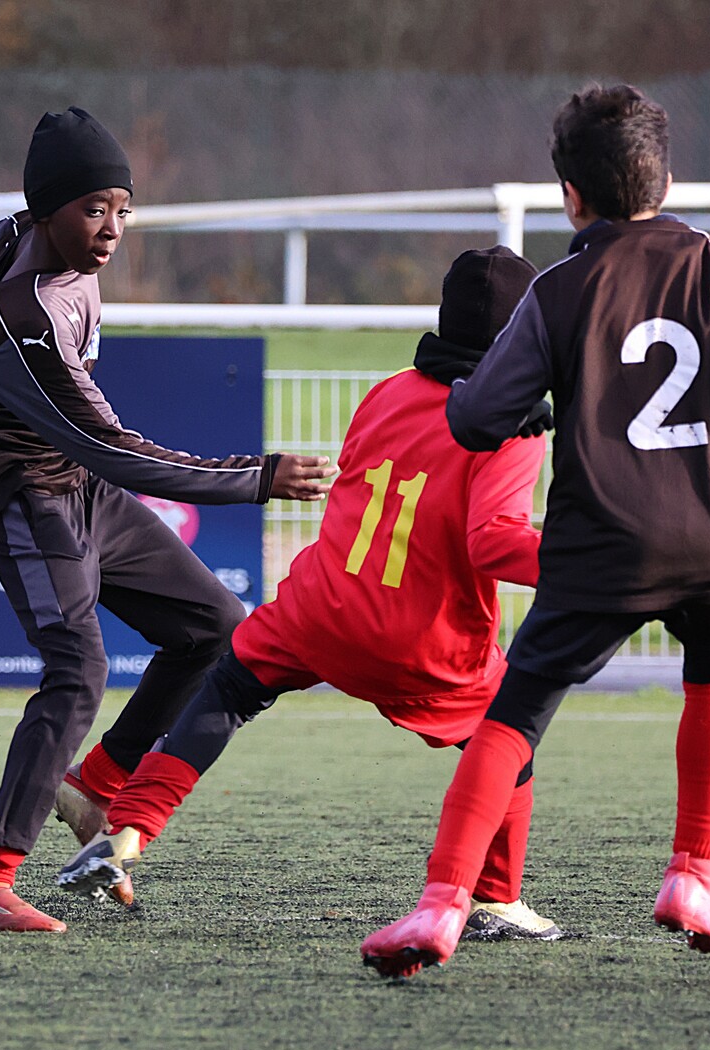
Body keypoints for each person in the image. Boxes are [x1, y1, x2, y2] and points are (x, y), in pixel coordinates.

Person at [360, 83, 710, 978]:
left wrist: (518, 398)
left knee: (516, 713)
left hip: (602, 545)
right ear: (664, 180)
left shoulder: (557, 291)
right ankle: (695, 876)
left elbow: (477, 417)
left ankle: (444, 903)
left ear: (570, 196)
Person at [0, 106, 337, 932]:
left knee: (214, 627)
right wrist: (258, 476)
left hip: (80, 487)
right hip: (28, 498)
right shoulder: (27, 319)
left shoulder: (13, 234)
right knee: (78, 669)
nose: (112, 228)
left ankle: (93, 784)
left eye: (123, 209)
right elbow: (120, 452)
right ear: (48, 209)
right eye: (94, 208)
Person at [56, 246, 566, 943]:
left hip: (318, 607)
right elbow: (495, 544)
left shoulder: (390, 390)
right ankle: (497, 899)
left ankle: (126, 831)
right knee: (509, 738)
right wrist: (594, 564)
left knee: (227, 689)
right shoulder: (511, 427)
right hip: (420, 637)